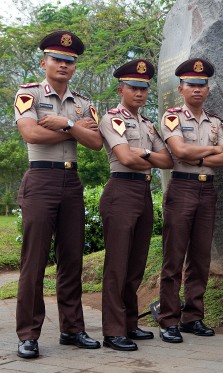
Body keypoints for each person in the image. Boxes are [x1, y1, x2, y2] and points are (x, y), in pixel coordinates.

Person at [13, 30, 103, 359]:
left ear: (75, 67)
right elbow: (31, 133)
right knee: (33, 261)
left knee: (71, 259)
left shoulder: (82, 103)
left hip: (71, 183)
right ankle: (28, 334)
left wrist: (65, 124)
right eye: (57, 59)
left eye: (70, 61)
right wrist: (76, 129)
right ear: (44, 62)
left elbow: (96, 143)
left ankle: (73, 328)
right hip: (40, 180)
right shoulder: (30, 94)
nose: (64, 65)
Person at [157, 58, 223, 343]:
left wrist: (196, 153)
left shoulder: (215, 121)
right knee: (174, 258)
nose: (197, 90)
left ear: (208, 88)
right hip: (182, 189)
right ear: (181, 89)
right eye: (191, 85)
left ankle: (193, 317)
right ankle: (168, 319)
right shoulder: (172, 117)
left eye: (202, 85)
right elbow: (179, 151)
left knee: (200, 258)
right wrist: (208, 152)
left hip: (207, 190)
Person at [98, 59, 173, 351]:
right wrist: (146, 154)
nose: (140, 93)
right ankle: (113, 331)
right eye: (133, 88)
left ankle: (130, 322)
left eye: (143, 88)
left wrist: (139, 151)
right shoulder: (111, 118)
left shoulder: (148, 124)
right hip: (120, 190)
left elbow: (167, 160)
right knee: (117, 265)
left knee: (135, 264)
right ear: (121, 89)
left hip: (142, 192)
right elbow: (126, 159)